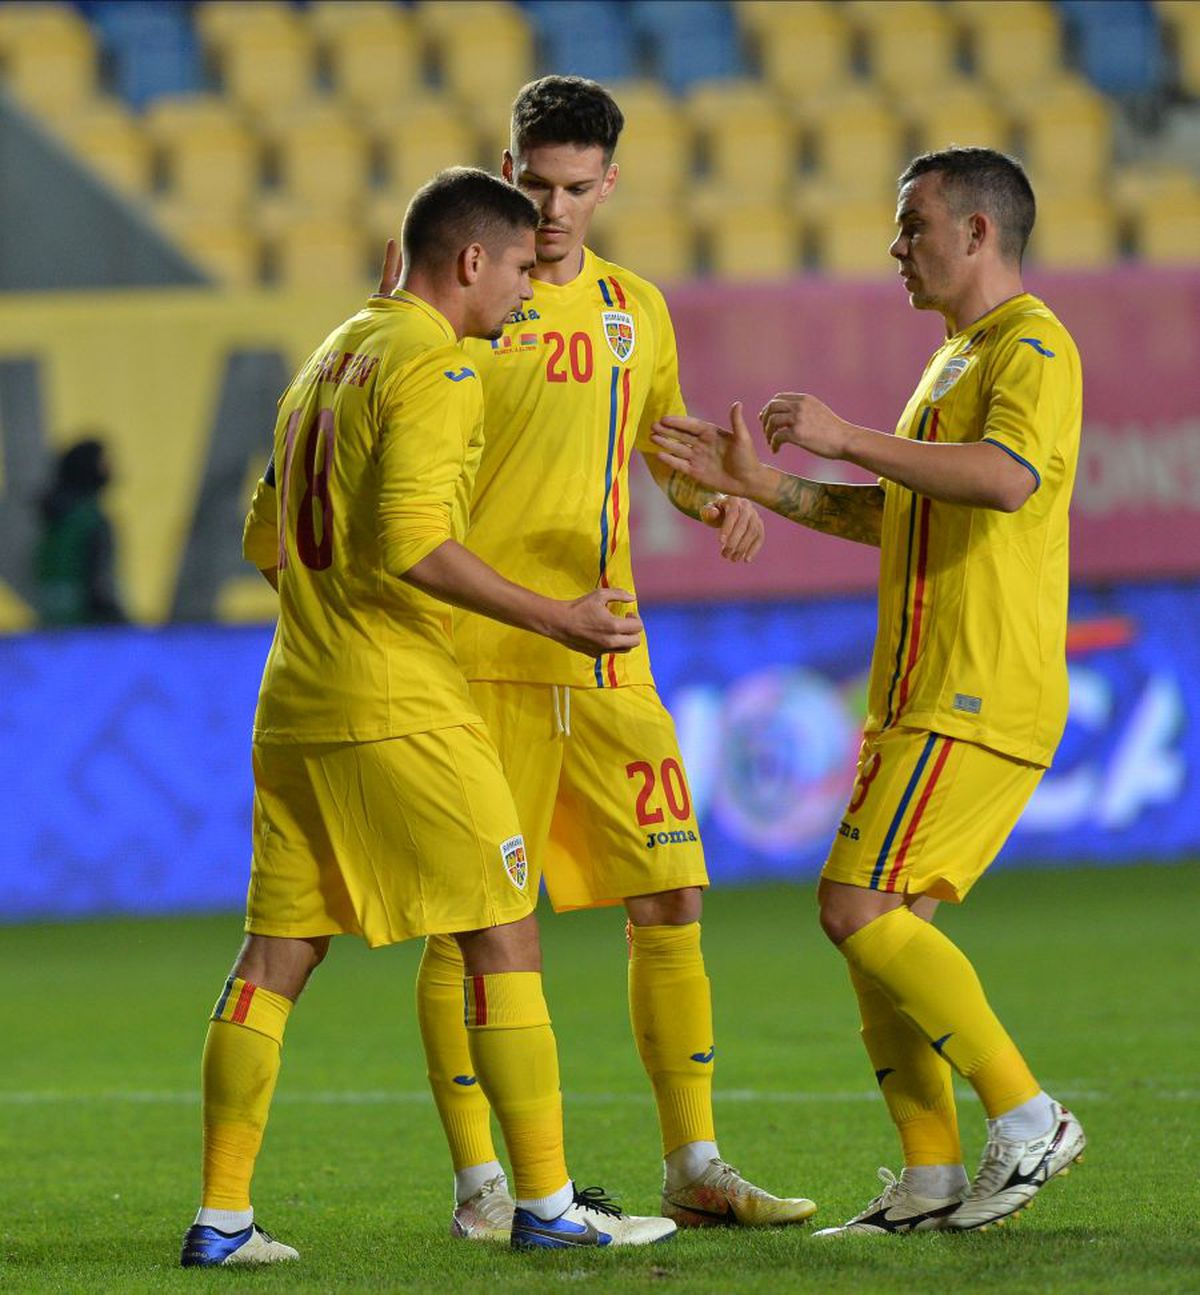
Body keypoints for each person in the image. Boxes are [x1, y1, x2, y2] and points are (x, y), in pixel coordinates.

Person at [180, 167, 677, 1267]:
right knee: (502, 927)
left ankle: (221, 1217)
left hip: (295, 699)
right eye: (517, 269)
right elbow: (414, 542)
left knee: (275, 954)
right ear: (469, 260)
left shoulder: (330, 356)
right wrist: (556, 616)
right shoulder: (438, 363)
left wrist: (335, 617)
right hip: (398, 701)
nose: (526, 288)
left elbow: (266, 541)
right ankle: (545, 1204)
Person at [379, 76, 816, 1239]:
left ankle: (695, 1162)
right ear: (505, 172)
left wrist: (715, 494)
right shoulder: (460, 306)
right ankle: (484, 1185)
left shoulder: (636, 310)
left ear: (610, 183)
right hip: (480, 655)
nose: (555, 208)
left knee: (671, 890)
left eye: (577, 187)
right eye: (536, 184)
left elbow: (663, 447)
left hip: (609, 653)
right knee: (474, 918)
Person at [651, 146, 1086, 1235]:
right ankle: (931, 1176)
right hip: (919, 690)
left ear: (978, 231)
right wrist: (769, 485)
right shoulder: (952, 361)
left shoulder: (1032, 345)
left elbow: (1006, 479)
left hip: (975, 687)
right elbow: (903, 516)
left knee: (850, 905)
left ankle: (1029, 1113)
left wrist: (845, 435)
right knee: (883, 938)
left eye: (913, 225)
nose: (897, 247)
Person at [34, 436, 127, 625]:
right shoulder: (90, 519)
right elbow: (99, 586)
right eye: (103, 463)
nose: (110, 468)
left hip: (51, 623)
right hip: (86, 626)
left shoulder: (50, 517)